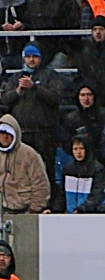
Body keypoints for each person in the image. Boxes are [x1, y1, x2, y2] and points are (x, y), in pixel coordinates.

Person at [0, 44, 62, 211]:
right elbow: (5, 99)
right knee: (18, 173)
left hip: (44, 133)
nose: (31, 60)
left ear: (40, 58)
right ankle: (17, 204)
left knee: (45, 173)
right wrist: (18, 91)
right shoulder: (15, 78)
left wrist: (34, 87)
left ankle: (47, 206)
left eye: (34, 56)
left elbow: (55, 98)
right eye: (28, 56)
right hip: (20, 136)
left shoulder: (50, 75)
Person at [0, 115, 49, 214]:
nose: (5, 137)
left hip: (25, 211)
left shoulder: (30, 154)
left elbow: (41, 185)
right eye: (2, 133)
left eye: (9, 133)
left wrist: (33, 210)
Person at [63, 84, 105, 161]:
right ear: (78, 97)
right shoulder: (71, 118)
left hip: (104, 160)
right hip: (81, 162)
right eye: (82, 95)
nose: (86, 98)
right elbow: (66, 143)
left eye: (89, 94)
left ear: (94, 96)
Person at [63, 134, 105, 213]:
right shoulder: (68, 169)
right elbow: (61, 194)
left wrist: (83, 208)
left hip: (90, 215)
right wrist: (53, 209)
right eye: (75, 149)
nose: (78, 152)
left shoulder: (97, 169)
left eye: (81, 148)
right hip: (70, 215)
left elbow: (97, 195)